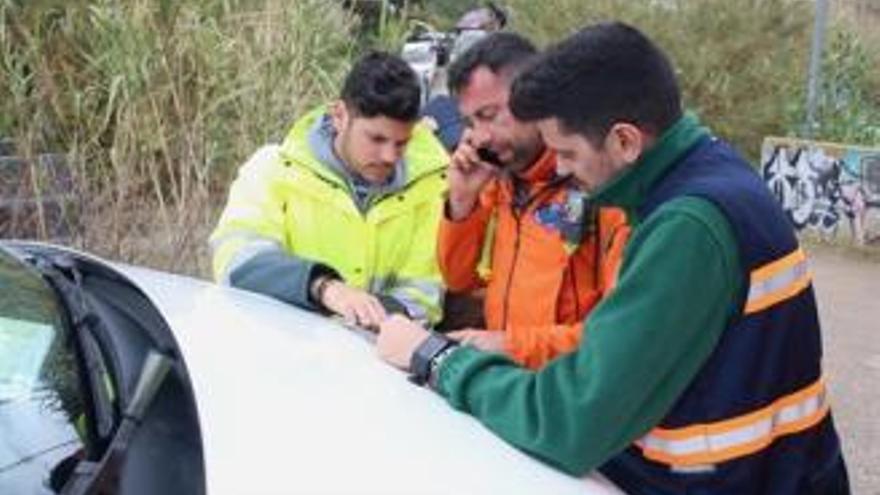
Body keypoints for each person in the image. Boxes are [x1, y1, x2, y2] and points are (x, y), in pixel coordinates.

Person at [377, 22, 849, 494]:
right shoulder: (709, 175)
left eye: (567, 152)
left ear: (624, 141)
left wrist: (439, 360)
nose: (559, 168)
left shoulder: (686, 227)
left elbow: (571, 422)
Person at [210, 51, 448, 328]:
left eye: (401, 143)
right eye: (376, 138)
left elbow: (423, 298)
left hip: (372, 359)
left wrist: (367, 319)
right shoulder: (272, 168)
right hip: (275, 348)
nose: (389, 156)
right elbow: (237, 260)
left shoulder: (433, 190)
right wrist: (324, 288)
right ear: (339, 116)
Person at [437, 32, 629, 369]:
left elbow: (618, 334)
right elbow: (458, 279)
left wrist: (511, 346)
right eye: (471, 122)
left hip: (567, 389)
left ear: (533, 97)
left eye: (490, 114)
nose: (480, 137)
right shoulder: (498, 175)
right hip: (504, 382)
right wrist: (461, 200)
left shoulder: (603, 186)